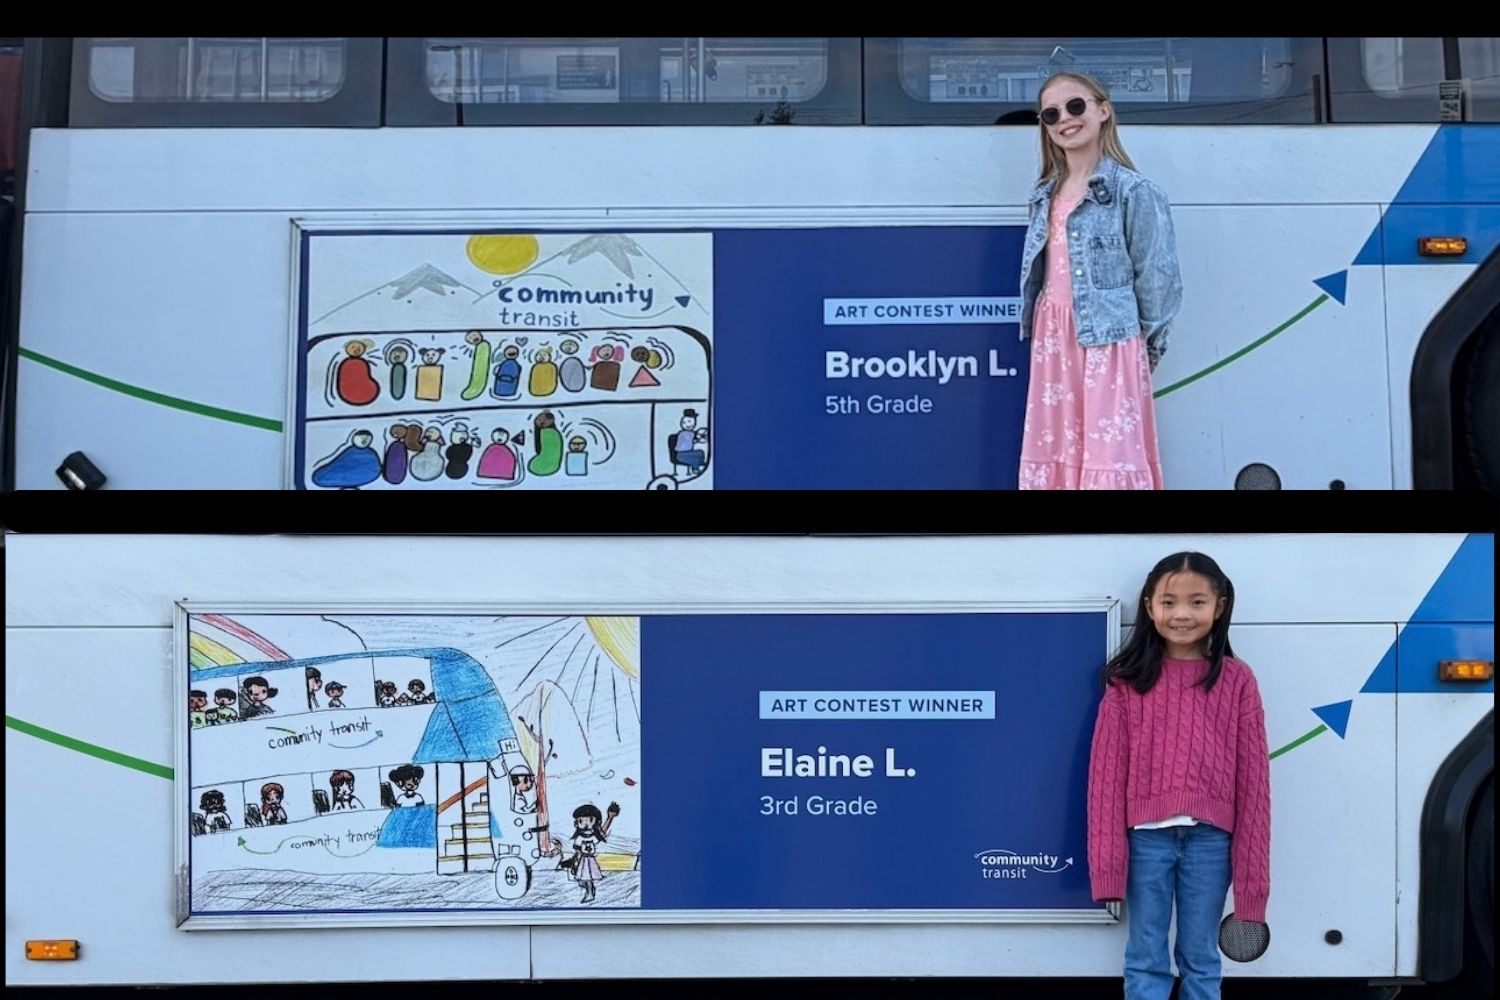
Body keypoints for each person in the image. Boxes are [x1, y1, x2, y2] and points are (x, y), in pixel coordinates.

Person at [1087, 552, 1270, 999]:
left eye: (1197, 602)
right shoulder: (1127, 682)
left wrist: (1252, 887)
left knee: (1201, 960)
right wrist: (1108, 868)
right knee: (1146, 958)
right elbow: (1105, 782)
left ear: (1219, 606)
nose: (1182, 614)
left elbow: (1254, 785)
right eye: (1169, 602)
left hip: (1211, 843)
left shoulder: (1237, 680)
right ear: (1149, 606)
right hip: (1146, 842)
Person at [1017, 71, 1182, 490]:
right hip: (1053, 340)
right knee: (1056, 449)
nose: (1065, 120)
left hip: (1110, 341)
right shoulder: (1044, 194)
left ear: (1103, 110)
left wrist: (1145, 351)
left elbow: (1158, 279)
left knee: (1110, 454)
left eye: (1076, 106)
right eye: (1051, 114)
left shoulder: (1134, 191)